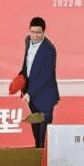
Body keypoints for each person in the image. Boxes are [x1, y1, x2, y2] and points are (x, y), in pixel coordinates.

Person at [18, 16, 60, 149]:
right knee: (36, 131)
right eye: (32, 32)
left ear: (43, 32)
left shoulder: (49, 50)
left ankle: (44, 157)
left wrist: (29, 93)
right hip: (32, 96)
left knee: (43, 136)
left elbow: (44, 77)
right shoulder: (27, 41)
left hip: (46, 96)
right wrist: (20, 79)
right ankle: (37, 154)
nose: (35, 35)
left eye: (38, 33)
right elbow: (27, 65)